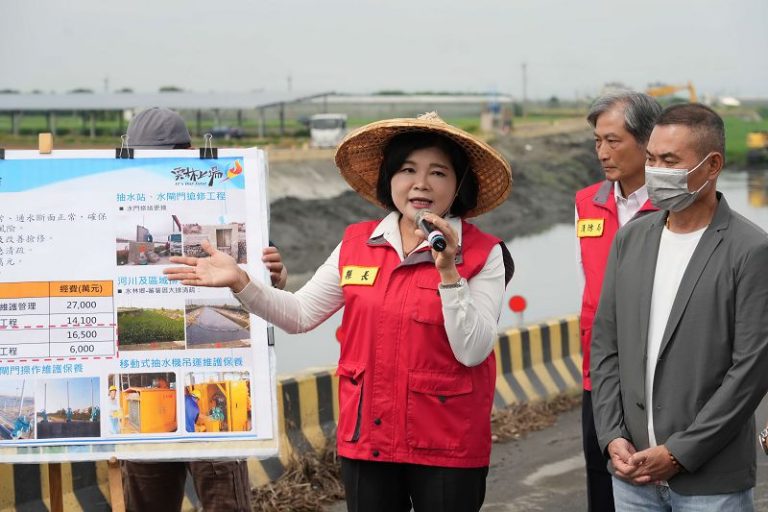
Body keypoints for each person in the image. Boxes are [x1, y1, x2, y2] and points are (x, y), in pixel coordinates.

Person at [164, 112, 514, 512]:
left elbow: (472, 349)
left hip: (448, 442)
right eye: (407, 170)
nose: (420, 183)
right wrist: (240, 281)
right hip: (369, 439)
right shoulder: (356, 244)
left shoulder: (485, 254)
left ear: (459, 185)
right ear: (389, 178)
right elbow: (299, 314)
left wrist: (448, 269)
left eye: (438, 172)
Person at [591, 103, 768, 510]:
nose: (655, 170)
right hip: (632, 473)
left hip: (711, 483)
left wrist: (678, 453)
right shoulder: (631, 240)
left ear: (712, 165)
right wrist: (612, 435)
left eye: (669, 160)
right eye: (651, 158)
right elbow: (606, 347)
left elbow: (750, 373)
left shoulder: (749, 250)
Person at [119, 107, 286, 512]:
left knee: (224, 501)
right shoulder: (117, 199)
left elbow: (262, 289)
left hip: (216, 381)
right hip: (145, 385)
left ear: (189, 151)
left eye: (163, 156)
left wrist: (273, 279)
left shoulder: (227, 198)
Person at [576, 91, 661, 511]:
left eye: (614, 141)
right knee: (602, 474)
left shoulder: (674, 205)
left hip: (658, 371)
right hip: (600, 369)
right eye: (597, 141)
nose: (603, 152)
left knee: (655, 475)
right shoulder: (586, 203)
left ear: (647, 142)